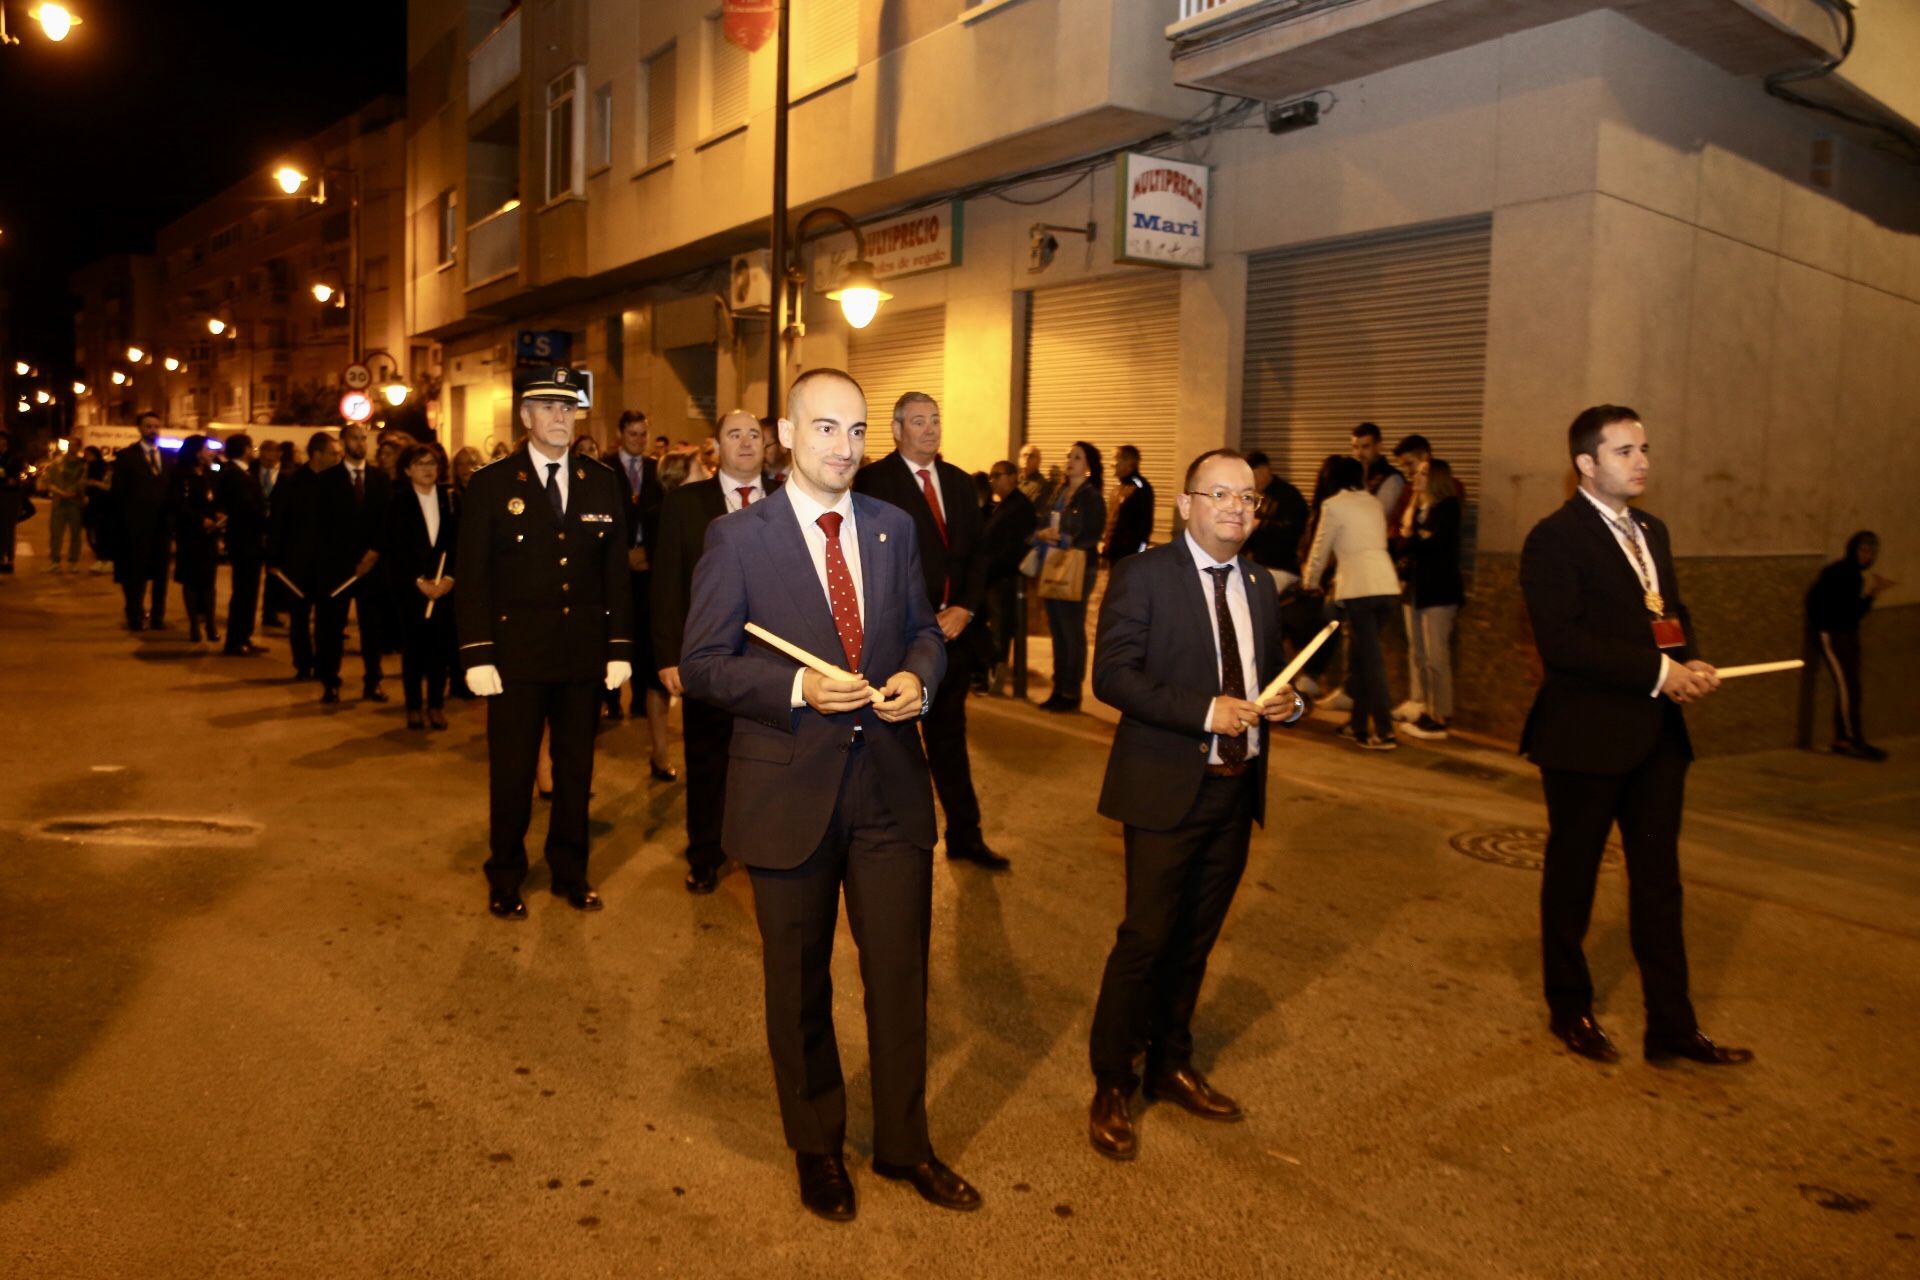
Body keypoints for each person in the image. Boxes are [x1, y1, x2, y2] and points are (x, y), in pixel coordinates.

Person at [680, 367, 977, 1223]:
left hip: (889, 787)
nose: (844, 449)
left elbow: (924, 630)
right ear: (785, 431)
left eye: (855, 431)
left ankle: (904, 1144)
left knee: (899, 975)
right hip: (789, 794)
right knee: (799, 981)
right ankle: (817, 1146)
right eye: (825, 430)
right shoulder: (740, 540)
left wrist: (921, 679)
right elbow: (702, 665)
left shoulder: (890, 527)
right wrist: (798, 692)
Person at [1086, 449, 1308, 1161]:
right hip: (1163, 787)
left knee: (1197, 940)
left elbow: (1268, 677)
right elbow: (1113, 676)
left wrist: (1290, 702)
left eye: (1248, 498)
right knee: (1146, 937)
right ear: (1187, 505)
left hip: (1236, 791)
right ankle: (1112, 1081)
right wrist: (1202, 712)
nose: (1238, 509)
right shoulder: (1145, 575)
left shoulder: (1260, 584)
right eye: (1221, 495)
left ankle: (1170, 1062)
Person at [1520, 404, 1751, 1069]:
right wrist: (1659, 672)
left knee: (1659, 882)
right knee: (1574, 878)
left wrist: (1690, 662)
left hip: (1656, 739)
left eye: (1644, 447)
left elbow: (1665, 613)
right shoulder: (1554, 538)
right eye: (1623, 451)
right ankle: (1570, 1008)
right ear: (1586, 465)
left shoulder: (1653, 530)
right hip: (1584, 738)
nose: (1641, 460)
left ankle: (1672, 1026)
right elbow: (1562, 642)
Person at [456, 366, 633, 920]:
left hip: (581, 654)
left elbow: (615, 575)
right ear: (526, 417)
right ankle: (505, 873)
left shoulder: (601, 482)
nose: (561, 417)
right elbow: (474, 576)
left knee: (576, 770)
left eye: (569, 407)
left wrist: (620, 646)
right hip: (515, 657)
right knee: (511, 771)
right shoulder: (491, 485)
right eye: (549, 407)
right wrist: (478, 653)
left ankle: (569, 871)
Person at [855, 392, 1003, 871]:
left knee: (949, 739)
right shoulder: (873, 482)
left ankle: (966, 834)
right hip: (896, 638)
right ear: (897, 430)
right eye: (918, 421)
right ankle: (887, 842)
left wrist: (965, 608)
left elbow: (980, 556)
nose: (930, 428)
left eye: (935, 419)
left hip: (954, 636)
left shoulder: (960, 483)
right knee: (888, 744)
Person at [652, 409, 774, 893]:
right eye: (734, 434)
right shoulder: (685, 505)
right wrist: (667, 655)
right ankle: (704, 853)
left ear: (767, 445)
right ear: (716, 445)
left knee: (766, 761)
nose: (745, 443)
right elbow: (666, 584)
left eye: (753, 435)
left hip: (771, 663)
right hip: (708, 659)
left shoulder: (787, 501)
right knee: (707, 762)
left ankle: (758, 846)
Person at [1302, 455, 1401, 749]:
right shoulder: (1372, 501)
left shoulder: (1333, 505)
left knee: (1371, 664)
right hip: (1386, 584)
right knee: (1361, 660)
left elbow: (1321, 549)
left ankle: (1384, 731)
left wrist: (1309, 581)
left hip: (1359, 589)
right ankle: (1357, 726)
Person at [604, 409, 675, 781]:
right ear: (620, 435)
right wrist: (621, 558)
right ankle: (611, 700)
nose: (639, 440)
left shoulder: (655, 470)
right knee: (611, 644)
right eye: (633, 434)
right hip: (614, 575)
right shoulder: (602, 469)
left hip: (649, 573)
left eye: (643, 434)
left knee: (650, 654)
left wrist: (649, 555)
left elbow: (665, 520)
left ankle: (658, 749)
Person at [385, 444, 459, 730]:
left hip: (443, 587)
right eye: (420, 464)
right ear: (407, 470)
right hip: (412, 589)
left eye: (432, 463)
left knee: (440, 649)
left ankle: (436, 705)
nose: (428, 469)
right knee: (414, 649)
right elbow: (395, 549)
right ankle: (414, 706)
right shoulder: (398, 502)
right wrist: (418, 581)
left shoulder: (450, 499)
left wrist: (449, 580)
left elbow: (457, 543)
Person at [267, 432, 347, 692]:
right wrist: (274, 559)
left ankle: (325, 666)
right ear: (317, 454)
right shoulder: (291, 482)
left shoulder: (340, 483)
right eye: (333, 453)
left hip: (329, 564)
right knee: (300, 617)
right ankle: (303, 663)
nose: (338, 458)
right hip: (297, 563)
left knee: (327, 619)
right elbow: (277, 522)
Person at [1032, 442, 1106, 713]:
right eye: (1069, 456)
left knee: (1071, 630)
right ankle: (1058, 687)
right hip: (1053, 565)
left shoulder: (1091, 497)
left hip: (1077, 568)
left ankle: (1071, 691)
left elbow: (1092, 535)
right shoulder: (1059, 493)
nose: (1070, 461)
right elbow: (1041, 522)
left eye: (1077, 457)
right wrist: (1042, 534)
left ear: (1088, 466)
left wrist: (1064, 538)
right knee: (1058, 631)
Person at [1807, 530, 1892, 761]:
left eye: (1872, 552)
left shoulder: (1851, 575)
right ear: (1853, 550)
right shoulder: (1842, 573)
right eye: (1863, 551)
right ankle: (1849, 740)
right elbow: (1845, 610)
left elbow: (1851, 613)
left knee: (1852, 687)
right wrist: (1872, 594)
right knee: (1847, 688)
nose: (1868, 556)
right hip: (1832, 634)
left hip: (1843, 634)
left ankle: (1848, 738)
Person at [1398, 457, 1463, 740]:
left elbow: (1434, 545)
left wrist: (1415, 538)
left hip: (1439, 591)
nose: (1416, 476)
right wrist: (1415, 536)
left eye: (1424, 473)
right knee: (1421, 655)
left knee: (1437, 656)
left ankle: (1440, 715)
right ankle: (1426, 707)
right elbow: (1404, 543)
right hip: (1415, 590)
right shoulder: (1416, 507)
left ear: (1436, 477)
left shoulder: (1448, 507)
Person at [327, 423, 392, 702]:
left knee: (372, 628)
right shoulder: (328, 480)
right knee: (332, 627)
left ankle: (373, 680)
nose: (360, 443)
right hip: (338, 567)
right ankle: (330, 681)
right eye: (355, 438)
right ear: (343, 442)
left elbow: (387, 520)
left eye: (364, 438)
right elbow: (322, 526)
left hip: (372, 566)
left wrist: (374, 552)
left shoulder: (380, 478)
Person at [110, 412, 173, 629]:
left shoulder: (167, 457)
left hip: (161, 527)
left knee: (161, 575)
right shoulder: (127, 457)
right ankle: (135, 615)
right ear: (139, 428)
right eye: (148, 426)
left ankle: (158, 616)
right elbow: (118, 493)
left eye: (156, 426)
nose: (153, 430)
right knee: (135, 574)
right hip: (135, 528)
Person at [981, 460, 1037, 693]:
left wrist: (990, 566)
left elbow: (1013, 547)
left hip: (1004, 577)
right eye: (991, 475)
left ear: (1013, 477)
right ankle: (992, 672)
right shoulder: (1002, 505)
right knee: (993, 627)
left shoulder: (1019, 506)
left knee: (1001, 630)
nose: (993, 480)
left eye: (998, 475)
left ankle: (998, 675)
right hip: (993, 576)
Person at [215, 433, 270, 656]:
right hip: (245, 540)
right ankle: (236, 640)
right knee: (243, 592)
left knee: (248, 591)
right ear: (245, 449)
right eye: (251, 447)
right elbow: (246, 508)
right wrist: (266, 518)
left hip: (248, 540)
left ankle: (244, 637)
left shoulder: (242, 473)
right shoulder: (235, 475)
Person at [170, 436, 224, 644]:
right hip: (190, 535)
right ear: (195, 451)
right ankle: (194, 624)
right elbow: (178, 504)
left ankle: (210, 623)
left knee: (209, 581)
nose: (210, 453)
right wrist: (199, 520)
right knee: (191, 580)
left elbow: (216, 499)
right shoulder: (181, 475)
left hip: (209, 536)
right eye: (206, 449)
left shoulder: (210, 474)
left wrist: (219, 514)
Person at [1101, 444, 1155, 565]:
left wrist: (1139, 554)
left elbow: (1145, 526)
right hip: (1114, 555)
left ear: (1129, 463)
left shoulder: (1140, 488)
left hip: (1129, 556)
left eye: (1116, 458)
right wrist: (1106, 548)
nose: (1112, 464)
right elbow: (1111, 521)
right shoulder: (1118, 488)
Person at [256, 441, 289, 626]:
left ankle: (270, 612)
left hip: (276, 529)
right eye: (265, 455)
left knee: (274, 574)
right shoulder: (252, 472)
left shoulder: (287, 474)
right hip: (255, 528)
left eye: (272, 454)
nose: (268, 459)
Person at [43, 445, 87, 572]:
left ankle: (73, 561)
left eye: (75, 444)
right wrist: (59, 492)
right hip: (59, 502)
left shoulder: (82, 465)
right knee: (56, 533)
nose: (72, 448)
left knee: (75, 534)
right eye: (70, 444)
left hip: (75, 503)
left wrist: (73, 491)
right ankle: (55, 561)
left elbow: (83, 480)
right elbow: (48, 480)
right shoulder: (57, 463)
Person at [1351, 422, 1403, 514]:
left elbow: (1378, 516)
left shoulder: (1392, 479)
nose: (1359, 453)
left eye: (1365, 447)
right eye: (1355, 447)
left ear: (1379, 446)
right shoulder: (1352, 475)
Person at [81, 445, 113, 574]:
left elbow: (108, 486)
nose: (87, 458)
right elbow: (83, 483)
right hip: (93, 504)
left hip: (105, 504)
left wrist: (94, 483)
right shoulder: (88, 467)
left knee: (105, 533)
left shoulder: (105, 468)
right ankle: (101, 559)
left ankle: (109, 560)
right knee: (96, 533)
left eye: (90, 455)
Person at [0, 430, 23, 574]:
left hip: (9, 496)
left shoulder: (14, 457)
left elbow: (13, 480)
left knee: (8, 528)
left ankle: (9, 559)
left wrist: (6, 479)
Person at [1016, 442, 1055, 510]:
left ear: (1039, 461)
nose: (1027, 458)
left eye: (1031, 456)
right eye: (1024, 455)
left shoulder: (1043, 486)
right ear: (1019, 459)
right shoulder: (1014, 481)